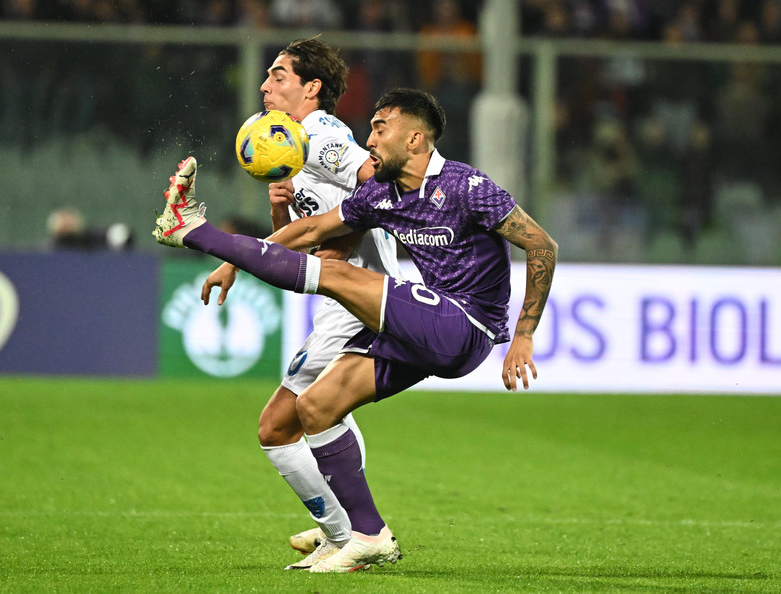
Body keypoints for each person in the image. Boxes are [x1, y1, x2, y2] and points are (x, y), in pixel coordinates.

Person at [153, 88, 558, 572]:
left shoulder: (468, 187)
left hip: (466, 324)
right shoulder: (381, 194)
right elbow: (310, 231)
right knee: (316, 407)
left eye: (379, 128)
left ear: (414, 138)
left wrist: (525, 334)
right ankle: (368, 535)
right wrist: (238, 260)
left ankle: (192, 229)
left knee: (339, 274)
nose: (369, 138)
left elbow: (542, 246)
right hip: (427, 330)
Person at [204, 38, 402, 571]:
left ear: (311, 88)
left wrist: (350, 239)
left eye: (278, 76)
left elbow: (375, 186)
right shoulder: (293, 146)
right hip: (339, 297)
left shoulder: (320, 134)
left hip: (360, 294)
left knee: (279, 426)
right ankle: (345, 529)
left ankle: (352, 535)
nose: (265, 86)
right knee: (298, 420)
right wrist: (277, 217)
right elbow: (307, 242)